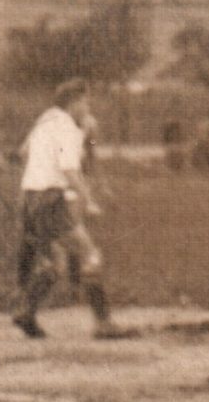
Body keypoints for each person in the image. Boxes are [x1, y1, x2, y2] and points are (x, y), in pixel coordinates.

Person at [13, 79, 134, 339]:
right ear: (75, 102)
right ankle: (103, 324)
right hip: (50, 199)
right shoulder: (67, 128)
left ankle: (26, 312)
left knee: (53, 263)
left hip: (29, 198)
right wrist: (88, 200)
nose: (88, 108)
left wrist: (34, 178)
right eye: (86, 102)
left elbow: (23, 153)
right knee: (91, 255)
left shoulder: (45, 120)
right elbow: (70, 170)